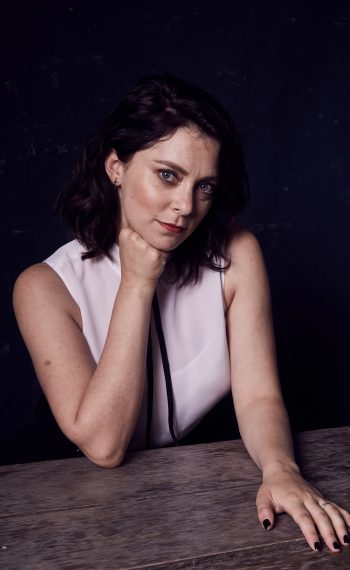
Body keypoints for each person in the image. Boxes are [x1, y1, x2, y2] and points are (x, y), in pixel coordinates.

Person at [13, 73, 349, 552]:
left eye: (205, 186)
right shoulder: (44, 286)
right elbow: (105, 447)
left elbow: (257, 398)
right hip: (59, 498)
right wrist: (137, 281)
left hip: (185, 492)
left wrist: (281, 471)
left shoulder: (236, 256)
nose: (185, 207)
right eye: (167, 175)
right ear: (115, 166)